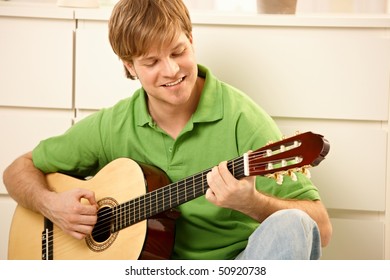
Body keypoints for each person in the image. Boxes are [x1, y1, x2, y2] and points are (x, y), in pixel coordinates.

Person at [3, 0, 332, 260]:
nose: (172, 70)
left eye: (178, 52)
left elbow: (320, 228)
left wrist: (253, 203)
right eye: (152, 62)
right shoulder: (112, 125)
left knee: (294, 224)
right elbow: (17, 170)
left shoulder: (242, 118)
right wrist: (51, 205)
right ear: (129, 66)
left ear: (191, 40)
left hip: (234, 267)